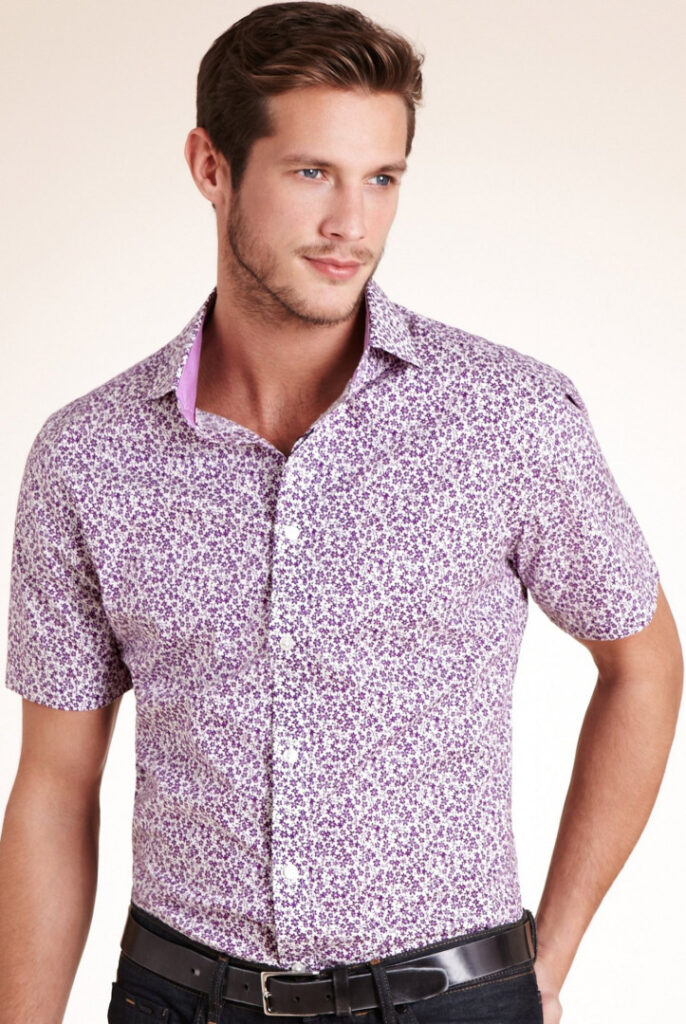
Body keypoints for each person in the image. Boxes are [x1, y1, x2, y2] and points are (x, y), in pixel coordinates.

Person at [0, 3, 681, 1023]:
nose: (351, 225)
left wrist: (550, 959)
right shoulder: (88, 455)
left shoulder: (507, 416)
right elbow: (54, 786)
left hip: (454, 998)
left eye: (382, 178)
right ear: (212, 166)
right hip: (181, 999)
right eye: (312, 172)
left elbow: (644, 663)